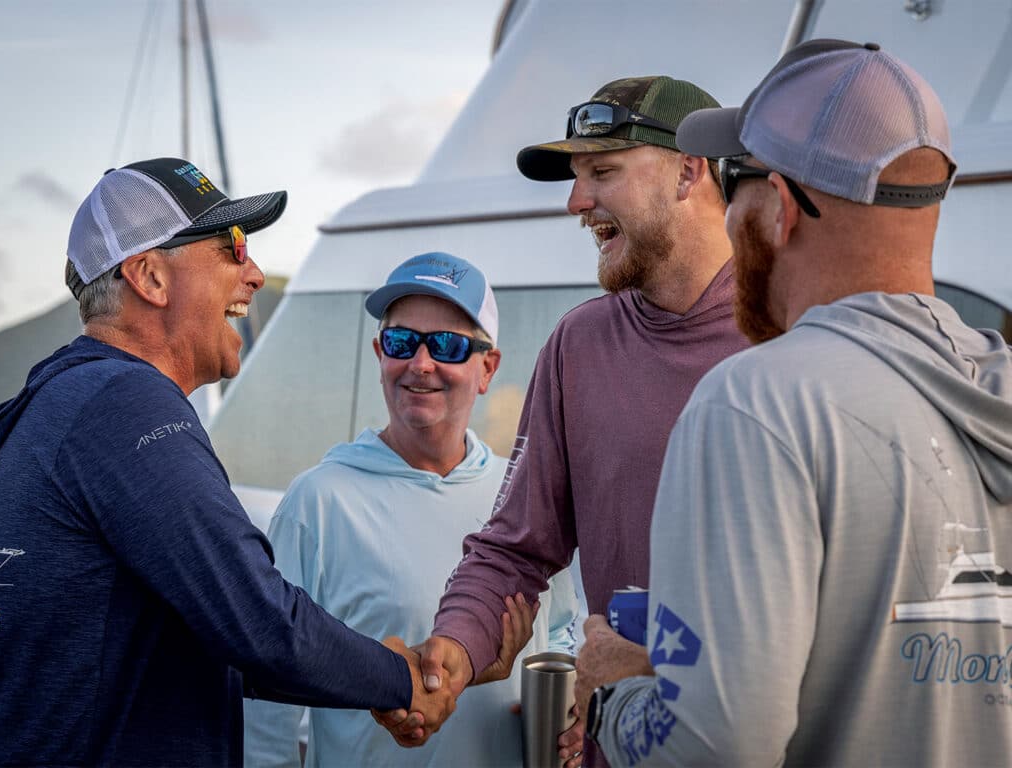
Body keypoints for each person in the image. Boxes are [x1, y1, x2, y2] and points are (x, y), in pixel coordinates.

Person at [579, 39, 1012, 767]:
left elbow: (713, 749)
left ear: (778, 207)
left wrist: (615, 694)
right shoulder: (995, 385)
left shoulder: (757, 402)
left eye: (733, 185)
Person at [0, 158, 453, 767]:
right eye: (232, 247)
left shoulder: (46, 403)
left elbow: (204, 633)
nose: (255, 272)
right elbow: (258, 621)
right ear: (150, 277)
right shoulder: (124, 404)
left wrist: (374, 670)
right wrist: (401, 678)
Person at [383, 77, 751, 765]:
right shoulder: (577, 344)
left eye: (603, 172)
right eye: (578, 178)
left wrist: (655, 659)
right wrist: (454, 652)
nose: (577, 202)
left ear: (690, 171)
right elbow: (515, 548)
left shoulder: (784, 333)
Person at [242, 251, 580, 767]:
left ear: (487, 368)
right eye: (403, 342)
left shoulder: (521, 493)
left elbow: (562, 631)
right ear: (381, 353)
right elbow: (268, 707)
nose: (422, 364)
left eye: (447, 345)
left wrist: (571, 703)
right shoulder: (320, 502)